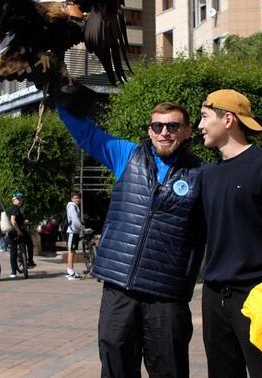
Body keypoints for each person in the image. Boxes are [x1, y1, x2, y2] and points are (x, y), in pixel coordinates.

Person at [57, 102, 208, 377]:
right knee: (116, 368)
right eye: (157, 126)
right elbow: (86, 134)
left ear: (187, 131)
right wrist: (59, 94)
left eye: (173, 126)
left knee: (170, 371)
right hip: (120, 287)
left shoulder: (203, 174)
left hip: (167, 294)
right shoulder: (127, 155)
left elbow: (239, 192)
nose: (164, 132)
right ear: (150, 131)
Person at [197, 89, 262, 378]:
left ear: (228, 119)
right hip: (214, 296)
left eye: (204, 116)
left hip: (258, 295)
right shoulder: (208, 175)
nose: (200, 125)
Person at [7, 192, 35, 279]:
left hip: (12, 232)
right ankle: (30, 261)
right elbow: (13, 220)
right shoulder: (14, 208)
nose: (20, 201)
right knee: (29, 243)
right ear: (14, 199)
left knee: (13, 251)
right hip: (17, 232)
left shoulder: (12, 208)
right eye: (18, 199)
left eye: (21, 199)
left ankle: (13, 271)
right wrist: (18, 231)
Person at [65, 191, 84, 280]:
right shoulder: (72, 207)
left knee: (72, 252)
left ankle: (70, 270)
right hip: (71, 232)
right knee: (71, 252)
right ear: (72, 199)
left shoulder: (75, 207)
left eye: (78, 198)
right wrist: (82, 228)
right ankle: (70, 272)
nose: (77, 200)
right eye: (75, 198)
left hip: (74, 232)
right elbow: (75, 220)